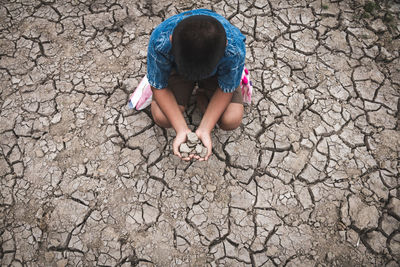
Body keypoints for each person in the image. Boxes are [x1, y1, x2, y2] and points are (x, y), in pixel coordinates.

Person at [147, 9, 246, 161]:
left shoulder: (234, 48)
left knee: (231, 119)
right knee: (162, 117)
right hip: (179, 69)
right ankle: (167, 77)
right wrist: (181, 129)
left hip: (215, 72)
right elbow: (159, 87)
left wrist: (205, 129)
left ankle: (201, 95)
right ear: (171, 40)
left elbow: (226, 89)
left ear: (225, 46)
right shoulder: (161, 41)